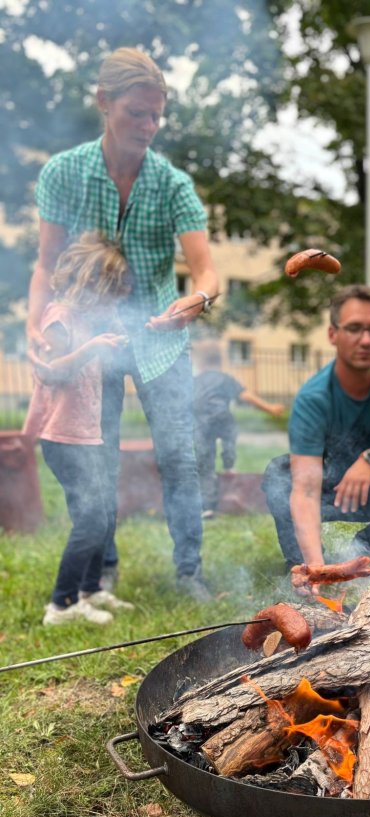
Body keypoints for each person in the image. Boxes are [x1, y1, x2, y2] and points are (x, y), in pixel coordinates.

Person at [27, 47, 219, 602]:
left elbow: (205, 268)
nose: (149, 126)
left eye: (157, 115)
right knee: (99, 458)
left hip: (161, 337)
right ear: (104, 103)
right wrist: (38, 326)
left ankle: (189, 571)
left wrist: (198, 298)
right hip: (94, 345)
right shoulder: (64, 173)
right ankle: (100, 573)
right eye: (137, 112)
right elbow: (45, 266)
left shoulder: (173, 184)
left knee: (180, 456)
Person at [262, 284, 370, 578]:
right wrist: (318, 567)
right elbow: (305, 491)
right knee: (279, 473)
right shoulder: (313, 398)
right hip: (325, 489)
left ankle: (366, 554)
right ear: (333, 334)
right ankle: (304, 565)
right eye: (354, 328)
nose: (366, 340)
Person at [23, 233, 136, 625]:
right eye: (112, 289)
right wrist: (92, 347)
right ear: (92, 283)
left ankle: (90, 591)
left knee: (104, 514)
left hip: (88, 436)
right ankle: (60, 605)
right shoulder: (59, 318)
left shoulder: (90, 321)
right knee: (89, 520)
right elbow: (50, 373)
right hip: (64, 439)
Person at [193, 342, 284, 517]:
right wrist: (269, 408)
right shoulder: (225, 378)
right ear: (219, 361)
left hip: (202, 424)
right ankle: (229, 463)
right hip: (222, 419)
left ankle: (208, 507)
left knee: (206, 464)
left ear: (201, 363)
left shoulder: (195, 381)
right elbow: (246, 396)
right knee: (230, 435)